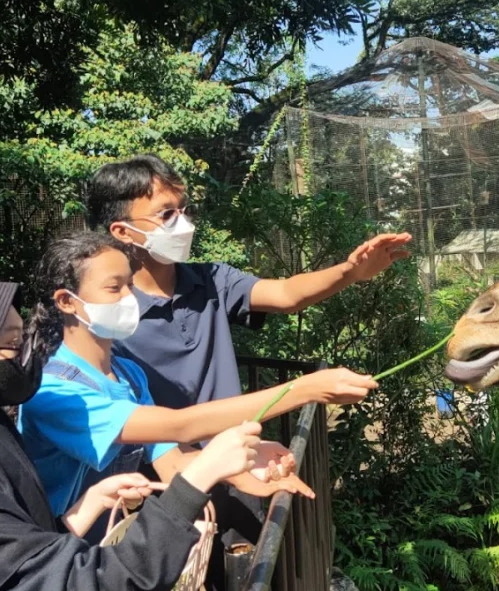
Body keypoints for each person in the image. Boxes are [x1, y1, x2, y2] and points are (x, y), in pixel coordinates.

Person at [86, 155, 409, 583]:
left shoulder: (209, 280)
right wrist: (305, 389)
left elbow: (285, 293)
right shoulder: (110, 316)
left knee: (250, 565)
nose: (182, 223)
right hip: (162, 483)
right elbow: (163, 430)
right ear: (122, 230)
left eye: (184, 210)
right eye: (166, 214)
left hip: (242, 463)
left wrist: (351, 272)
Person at [0, 277, 262, 591]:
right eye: (8, 347)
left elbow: (13, 558)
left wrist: (78, 512)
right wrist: (196, 479)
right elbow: (78, 582)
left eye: (21, 343)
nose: (21, 360)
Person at [18, 231, 373, 541]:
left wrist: (245, 470)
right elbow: (179, 425)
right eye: (114, 288)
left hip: (102, 549)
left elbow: (172, 462)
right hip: (50, 551)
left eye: (130, 284)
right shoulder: (53, 390)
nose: (129, 297)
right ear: (66, 301)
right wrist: (303, 390)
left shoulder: (127, 373)